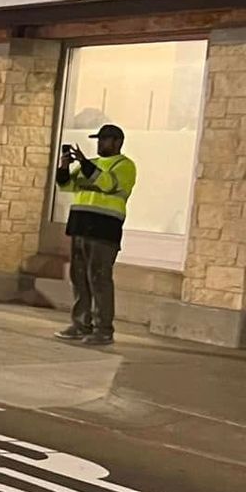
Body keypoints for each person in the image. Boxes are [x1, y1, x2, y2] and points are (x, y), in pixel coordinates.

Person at [54, 122, 137, 346]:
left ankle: (103, 329)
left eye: (104, 139)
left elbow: (108, 184)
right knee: (79, 277)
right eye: (98, 139)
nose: (100, 143)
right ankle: (81, 324)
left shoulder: (124, 165)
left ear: (117, 142)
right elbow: (66, 186)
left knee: (99, 278)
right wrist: (63, 166)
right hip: (80, 226)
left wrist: (83, 162)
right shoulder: (90, 164)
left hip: (104, 229)